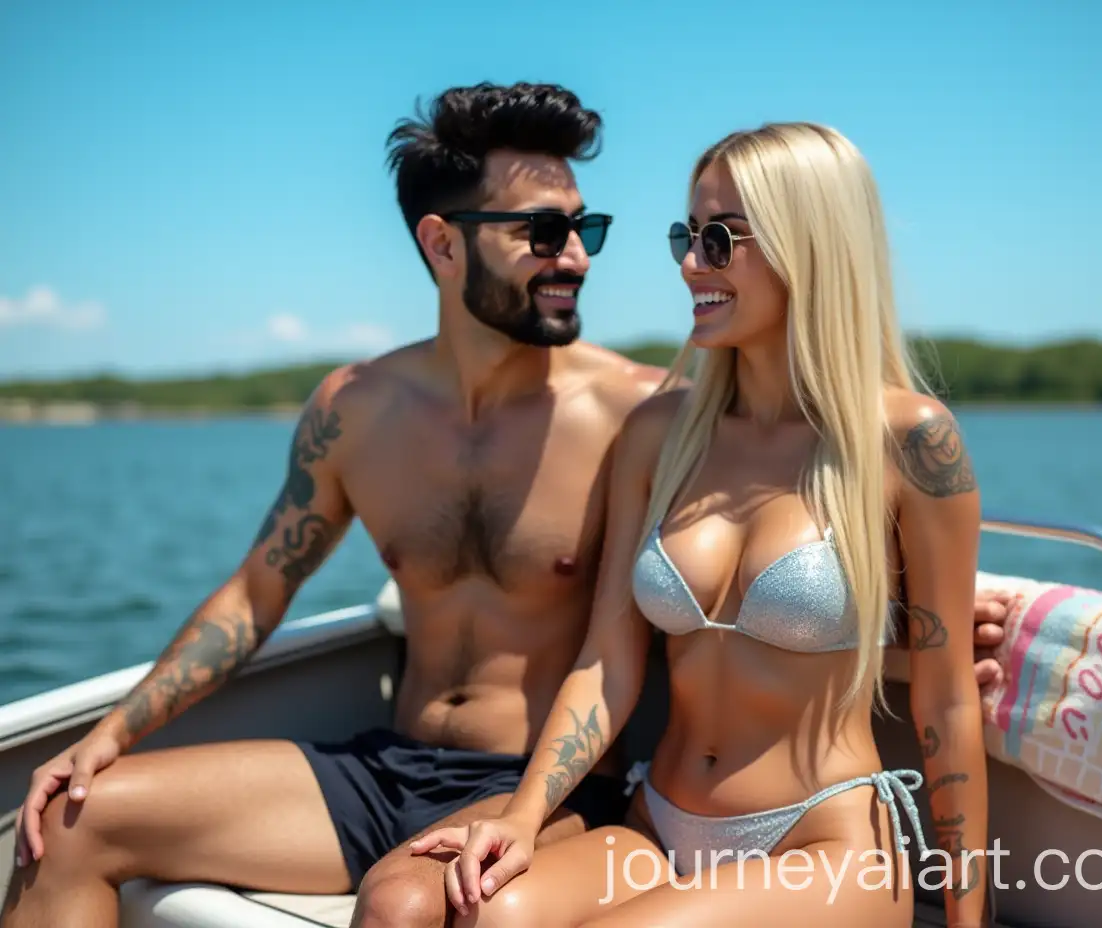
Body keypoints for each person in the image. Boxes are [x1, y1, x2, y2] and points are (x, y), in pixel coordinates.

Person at [2, 85, 1008, 928]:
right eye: (544, 231)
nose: (588, 256)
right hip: (500, 786)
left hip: (737, 810)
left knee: (434, 909)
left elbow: (924, 675)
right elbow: (257, 596)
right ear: (443, 246)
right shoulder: (389, 411)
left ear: (806, 246)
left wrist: (911, 623)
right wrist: (113, 730)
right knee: (72, 820)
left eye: (712, 238)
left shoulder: (687, 415)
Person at [409, 121, 990, 928]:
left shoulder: (908, 441)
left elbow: (947, 703)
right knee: (485, 913)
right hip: (659, 819)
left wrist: (968, 922)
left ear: (808, 246)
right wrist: (523, 813)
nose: (690, 264)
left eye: (720, 239)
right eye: (687, 235)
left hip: (822, 845)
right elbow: (607, 662)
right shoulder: (661, 433)